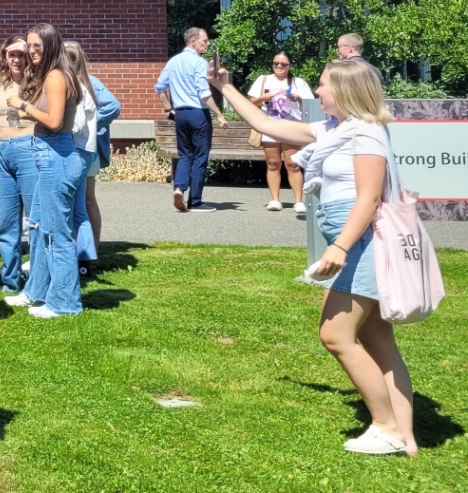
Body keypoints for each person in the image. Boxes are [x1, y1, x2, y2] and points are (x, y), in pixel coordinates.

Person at [212, 57, 418, 457]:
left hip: (359, 242)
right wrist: (226, 87)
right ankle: (405, 436)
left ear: (344, 90)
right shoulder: (334, 130)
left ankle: (386, 426)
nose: (318, 91)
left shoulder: (366, 134)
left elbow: (370, 198)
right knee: (377, 338)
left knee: (335, 335)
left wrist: (339, 247)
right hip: (352, 241)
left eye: (323, 84)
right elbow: (267, 125)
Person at [4, 23, 84, 318]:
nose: (30, 51)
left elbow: (53, 121)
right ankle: (36, 292)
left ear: (51, 45)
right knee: (38, 227)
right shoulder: (50, 75)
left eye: (36, 46)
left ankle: (64, 303)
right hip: (49, 155)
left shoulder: (55, 76)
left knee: (56, 233)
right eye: (29, 45)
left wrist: (23, 104)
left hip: (57, 156)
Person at [155, 26, 227, 213]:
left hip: (180, 114)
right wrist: (219, 114)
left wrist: (169, 108)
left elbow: (159, 87)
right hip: (198, 113)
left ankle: (179, 188)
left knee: (185, 154)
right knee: (200, 157)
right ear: (193, 41)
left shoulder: (173, 61)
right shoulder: (199, 62)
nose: (207, 43)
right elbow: (204, 93)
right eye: (204, 41)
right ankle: (195, 201)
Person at [64, 40, 120, 255]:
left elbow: (114, 106)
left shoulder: (90, 82)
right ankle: (81, 250)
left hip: (83, 149)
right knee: (83, 202)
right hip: (81, 150)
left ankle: (90, 249)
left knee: (85, 201)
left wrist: (93, 124)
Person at [0, 38, 36, 292]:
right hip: (2, 151)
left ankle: (38, 277)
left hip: (30, 148)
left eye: (21, 54)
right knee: (7, 221)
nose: (17, 59)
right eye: (12, 55)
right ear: (4, 57)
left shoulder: (37, 83)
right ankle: (10, 280)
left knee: (35, 219)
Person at [251, 53, 315, 216]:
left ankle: (299, 201)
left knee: (292, 164)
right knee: (272, 163)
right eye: (276, 63)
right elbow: (250, 103)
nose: (279, 66)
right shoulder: (263, 80)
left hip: (292, 127)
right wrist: (263, 98)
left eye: (284, 64)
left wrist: (298, 98)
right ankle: (275, 199)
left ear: (290, 66)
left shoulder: (297, 82)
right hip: (270, 126)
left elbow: (311, 104)